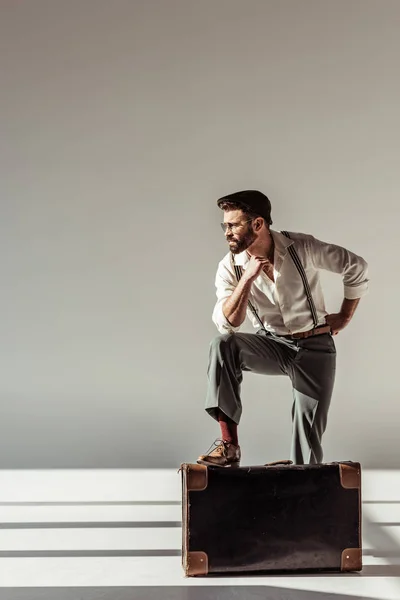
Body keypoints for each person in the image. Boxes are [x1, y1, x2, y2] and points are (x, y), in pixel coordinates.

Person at [197, 190, 369, 468]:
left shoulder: (301, 247)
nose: (227, 232)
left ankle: (302, 491)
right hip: (273, 346)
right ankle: (229, 445)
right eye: (225, 226)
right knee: (223, 345)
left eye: (233, 225)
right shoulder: (229, 267)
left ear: (258, 224)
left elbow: (356, 267)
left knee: (308, 439)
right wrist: (247, 279)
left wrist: (344, 316)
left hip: (316, 346)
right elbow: (228, 323)